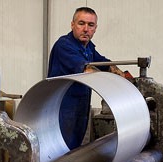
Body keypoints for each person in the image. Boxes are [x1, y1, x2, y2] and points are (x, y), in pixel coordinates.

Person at [47, 6, 124, 150]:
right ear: (72, 25)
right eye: (81, 23)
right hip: (62, 108)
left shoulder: (88, 48)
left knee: (75, 150)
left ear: (95, 28)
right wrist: (113, 86)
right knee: (61, 151)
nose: (86, 29)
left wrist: (124, 77)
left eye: (91, 25)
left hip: (80, 107)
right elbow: (88, 69)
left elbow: (104, 63)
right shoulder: (64, 45)